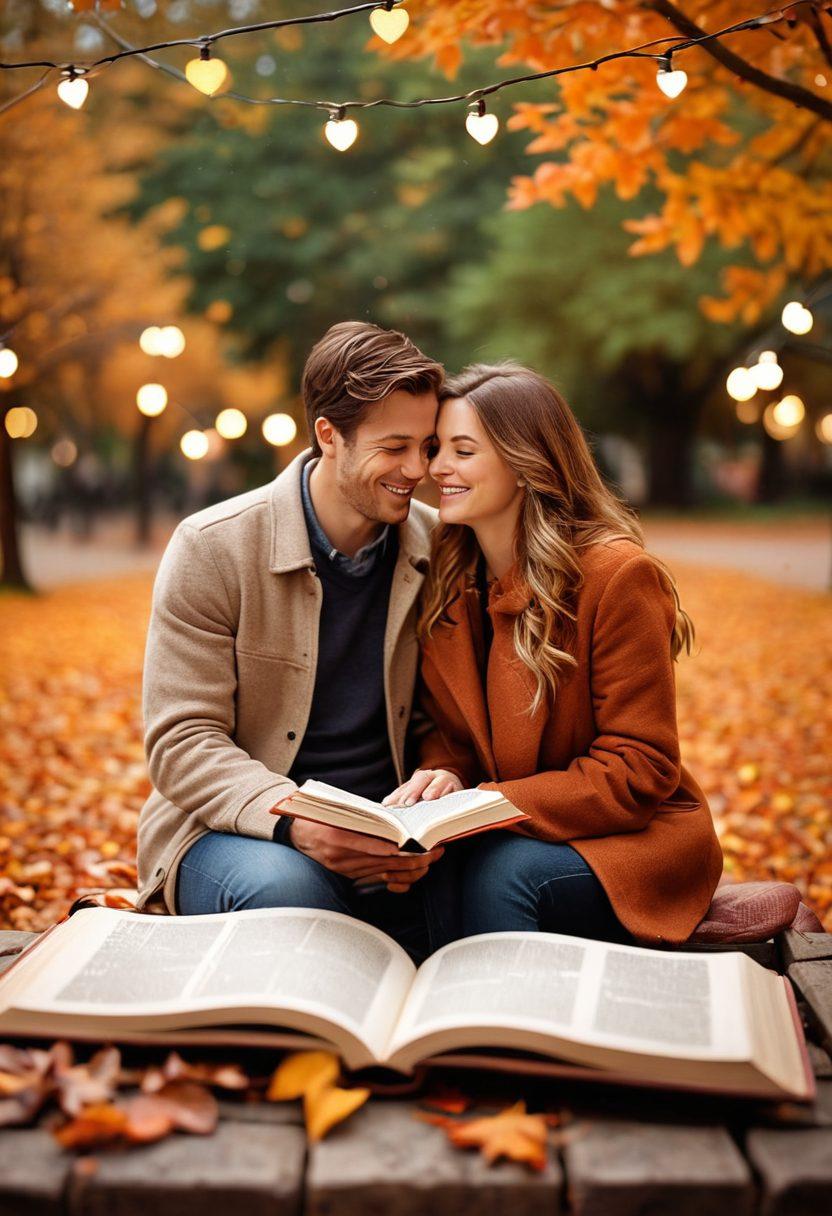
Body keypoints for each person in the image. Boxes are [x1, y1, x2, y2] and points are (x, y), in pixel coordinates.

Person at [135, 321, 454, 962]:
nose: (418, 470)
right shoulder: (214, 546)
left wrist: (439, 789)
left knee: (487, 894)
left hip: (394, 838)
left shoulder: (441, 548)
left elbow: (445, 712)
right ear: (328, 436)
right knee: (293, 895)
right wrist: (295, 820)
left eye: (427, 445)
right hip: (237, 830)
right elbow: (180, 743)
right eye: (395, 447)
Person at [384, 362, 724, 947]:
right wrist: (446, 774)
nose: (437, 468)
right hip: (509, 826)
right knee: (430, 869)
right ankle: (443, 1026)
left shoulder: (614, 578)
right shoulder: (447, 581)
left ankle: (516, 1032)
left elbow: (638, 769)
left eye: (463, 452)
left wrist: (489, 804)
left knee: (503, 873)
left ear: (525, 463)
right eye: (438, 448)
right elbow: (453, 736)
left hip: (632, 841)